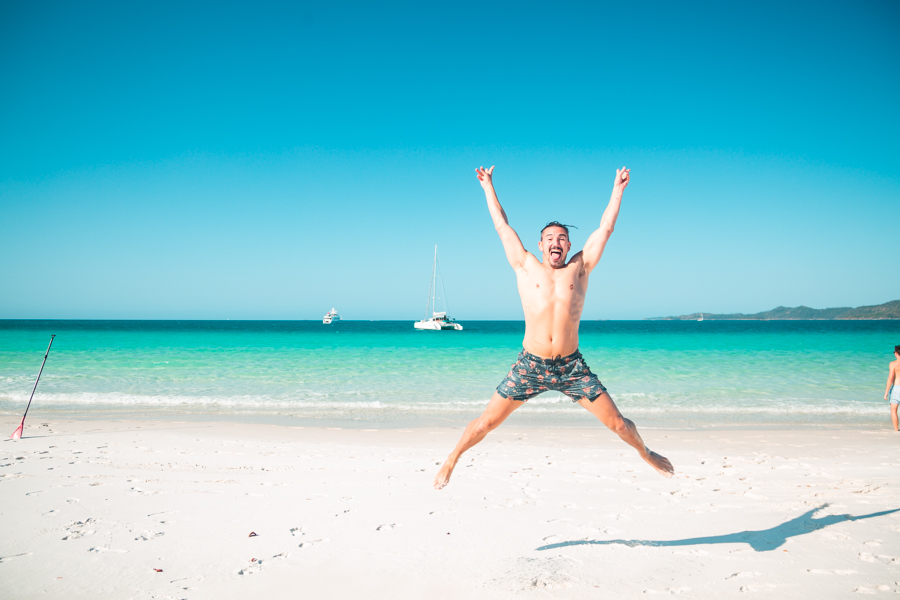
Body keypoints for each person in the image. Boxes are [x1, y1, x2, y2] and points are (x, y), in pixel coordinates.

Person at [433, 165, 674, 490]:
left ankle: (645, 452)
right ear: (541, 244)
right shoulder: (525, 265)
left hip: (571, 366)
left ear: (569, 243)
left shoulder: (580, 267)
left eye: (561, 238)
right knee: (487, 422)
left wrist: (618, 190)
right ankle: (453, 457)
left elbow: (605, 229)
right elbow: (502, 225)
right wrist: (488, 186)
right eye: (549, 238)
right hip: (530, 364)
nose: (555, 242)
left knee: (618, 424)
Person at [884, 345, 900, 432]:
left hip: (896, 389)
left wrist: (886, 392)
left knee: (893, 410)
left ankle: (896, 430)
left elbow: (890, 378)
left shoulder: (893, 364)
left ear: (896, 353)